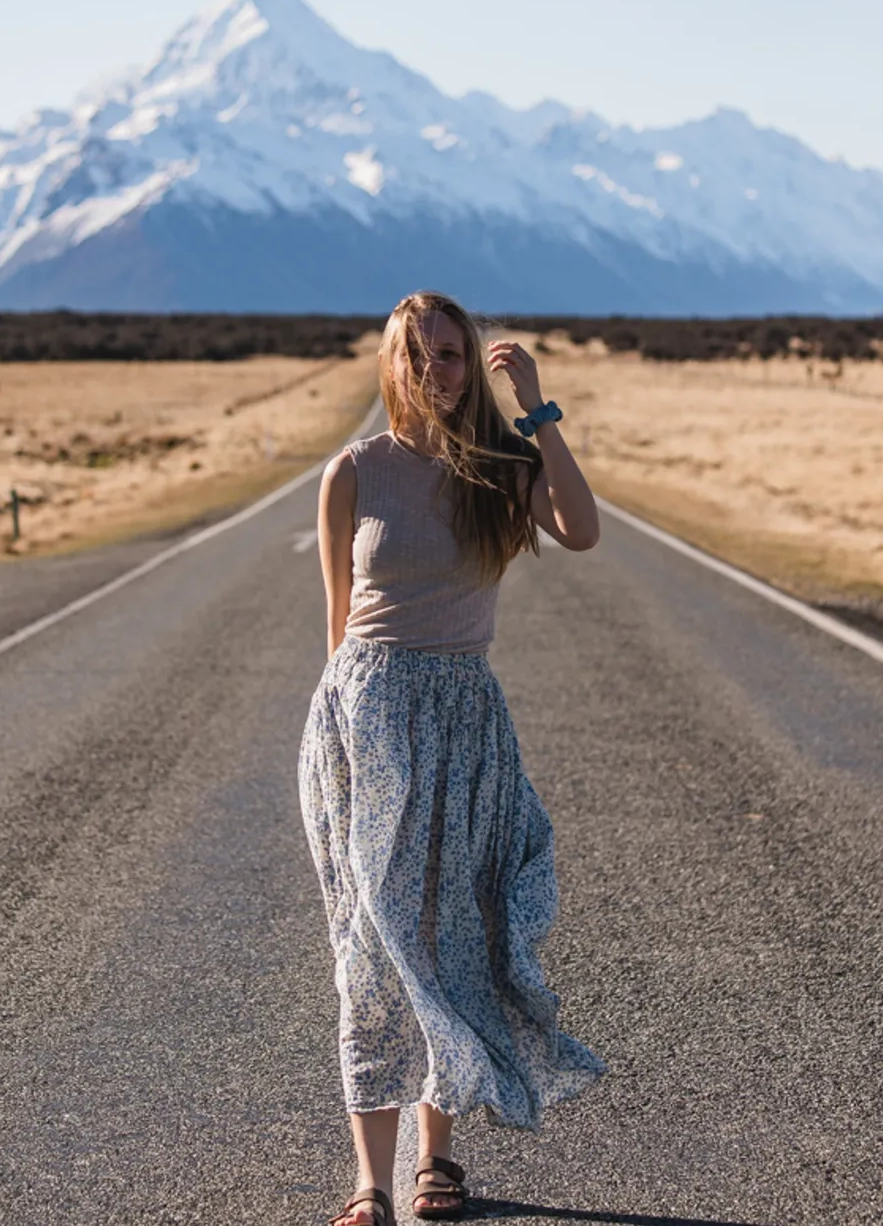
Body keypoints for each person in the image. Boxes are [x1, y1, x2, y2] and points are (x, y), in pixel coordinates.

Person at [296, 291, 607, 1226]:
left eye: (452, 354)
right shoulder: (352, 473)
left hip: (467, 726)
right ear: (394, 365)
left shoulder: (503, 469)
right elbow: (336, 627)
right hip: (368, 725)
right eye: (419, 355)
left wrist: (538, 412)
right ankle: (370, 1183)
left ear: (474, 365)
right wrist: (343, 752)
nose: (438, 370)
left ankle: (438, 1163)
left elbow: (583, 529)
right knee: (369, 948)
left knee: (449, 939)